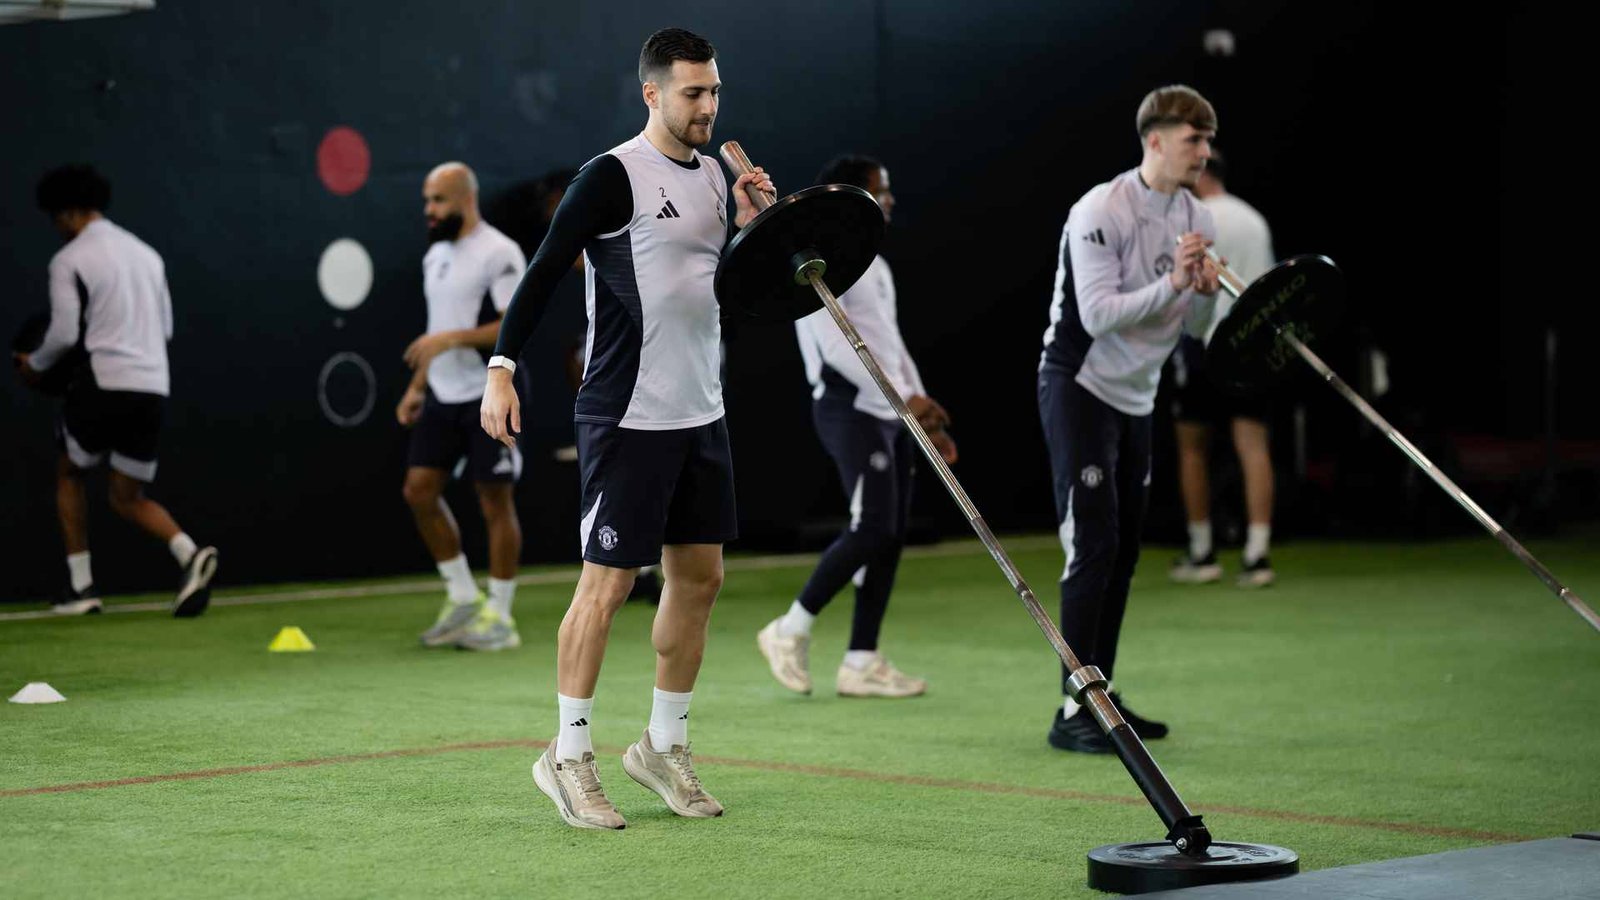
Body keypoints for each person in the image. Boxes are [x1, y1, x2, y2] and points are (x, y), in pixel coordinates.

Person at [480, 27, 775, 829]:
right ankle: (568, 755)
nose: (708, 106)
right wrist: (501, 367)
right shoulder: (611, 177)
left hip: (700, 410)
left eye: (714, 91)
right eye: (693, 93)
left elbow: (714, 285)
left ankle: (661, 747)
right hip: (627, 413)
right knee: (606, 587)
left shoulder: (715, 176)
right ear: (652, 93)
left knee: (701, 580)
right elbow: (544, 271)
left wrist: (750, 225)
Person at [1036, 86, 1223, 753]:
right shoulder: (1101, 208)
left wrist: (1201, 293)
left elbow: (1194, 326)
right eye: (1193, 139)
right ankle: (1072, 709)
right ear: (1155, 140)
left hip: (1137, 399)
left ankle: (1101, 697)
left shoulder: (1198, 215)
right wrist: (1173, 282)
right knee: (1092, 545)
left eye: (1208, 140)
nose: (1204, 152)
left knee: (1123, 550)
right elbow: (1097, 315)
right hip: (1080, 387)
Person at [756, 155, 955, 700]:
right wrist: (903, 398)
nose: (889, 200)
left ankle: (861, 660)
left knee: (889, 534)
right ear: (852, 197)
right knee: (871, 527)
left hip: (892, 412)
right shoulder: (817, 264)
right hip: (851, 410)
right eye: (880, 191)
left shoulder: (876, 265)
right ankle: (789, 629)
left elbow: (889, 341)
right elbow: (837, 350)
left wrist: (921, 407)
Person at [15, 164, 218, 617]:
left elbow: (64, 333)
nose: (57, 227)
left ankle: (81, 589)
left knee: (70, 473)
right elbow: (165, 328)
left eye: (55, 218)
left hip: (104, 380)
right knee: (126, 496)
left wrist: (34, 366)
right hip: (152, 385)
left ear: (67, 213)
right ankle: (189, 554)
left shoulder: (68, 260)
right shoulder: (148, 256)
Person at [398, 162, 528, 651]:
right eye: (427, 201)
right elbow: (437, 330)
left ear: (466, 199)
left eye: (438, 200)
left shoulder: (499, 252)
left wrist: (448, 340)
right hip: (442, 394)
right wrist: (417, 386)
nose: (429, 210)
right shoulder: (436, 255)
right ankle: (463, 598)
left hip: (488, 392)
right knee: (419, 491)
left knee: (494, 500)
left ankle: (500, 616)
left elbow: (512, 325)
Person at [1167, 148, 1278, 588]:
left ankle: (1202, 552)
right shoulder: (1254, 219)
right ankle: (1257, 554)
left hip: (1203, 343)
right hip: (1251, 346)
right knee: (1253, 445)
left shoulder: (1192, 221)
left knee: (1192, 447)